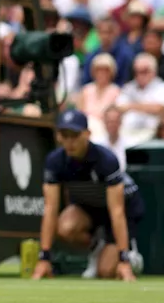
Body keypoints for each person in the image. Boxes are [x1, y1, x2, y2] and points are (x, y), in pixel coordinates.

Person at [32, 110, 144, 282]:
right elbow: (50, 209)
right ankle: (98, 248)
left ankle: (131, 256)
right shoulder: (55, 161)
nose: (70, 142)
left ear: (87, 134)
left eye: (75, 135)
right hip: (89, 208)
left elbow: (117, 211)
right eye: (64, 135)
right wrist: (44, 258)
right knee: (65, 227)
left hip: (121, 210)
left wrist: (123, 260)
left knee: (106, 272)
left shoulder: (106, 159)